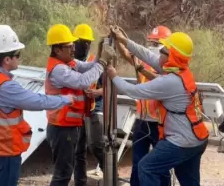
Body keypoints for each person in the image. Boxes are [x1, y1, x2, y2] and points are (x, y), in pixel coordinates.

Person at [0, 25, 74, 186]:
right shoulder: (6, 87)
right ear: (7, 59)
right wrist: (65, 99)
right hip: (5, 149)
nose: (20, 58)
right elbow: (38, 101)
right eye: (17, 55)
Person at [107, 26, 209, 186]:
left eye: (163, 49)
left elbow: (133, 91)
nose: (159, 52)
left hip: (182, 141)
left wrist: (114, 76)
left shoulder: (170, 81)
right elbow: (146, 55)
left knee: (147, 167)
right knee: (188, 181)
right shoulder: (179, 71)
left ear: (172, 56)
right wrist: (123, 40)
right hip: (196, 139)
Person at [45, 24, 115, 186]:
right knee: (63, 174)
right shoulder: (58, 70)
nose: (73, 49)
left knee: (66, 169)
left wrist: (99, 53)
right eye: (69, 46)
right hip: (61, 128)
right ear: (57, 50)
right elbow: (83, 81)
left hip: (67, 126)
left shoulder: (69, 63)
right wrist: (103, 62)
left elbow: (88, 67)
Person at [114, 25, 172, 186]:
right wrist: (119, 39)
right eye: (152, 44)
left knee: (160, 164)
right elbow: (127, 55)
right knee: (138, 160)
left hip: (159, 122)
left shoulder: (167, 68)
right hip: (141, 119)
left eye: (157, 44)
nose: (154, 48)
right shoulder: (144, 62)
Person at [72, 23, 105, 171]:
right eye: (81, 42)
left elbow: (110, 87)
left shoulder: (95, 61)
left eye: (87, 42)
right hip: (77, 110)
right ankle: (81, 182)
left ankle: (111, 175)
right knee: (78, 150)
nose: (84, 45)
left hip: (93, 108)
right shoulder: (70, 62)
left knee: (96, 146)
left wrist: (98, 92)